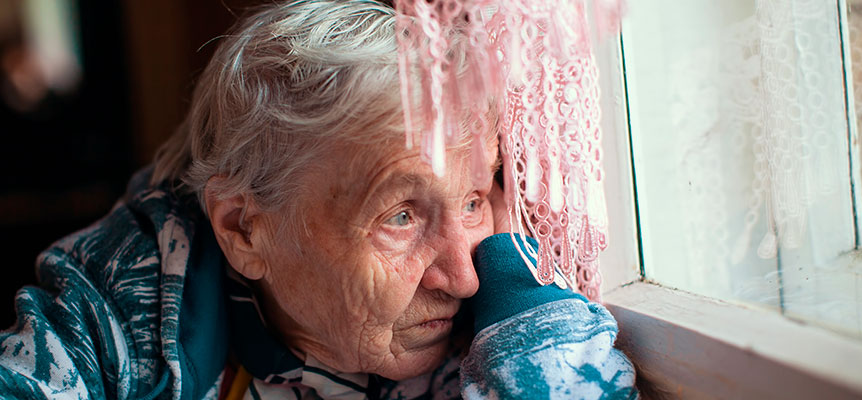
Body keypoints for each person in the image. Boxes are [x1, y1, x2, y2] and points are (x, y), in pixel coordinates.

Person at [0, 1, 637, 398]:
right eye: (402, 215)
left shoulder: (492, 304)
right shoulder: (124, 302)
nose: (465, 275)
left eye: (473, 200)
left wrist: (535, 343)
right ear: (244, 229)